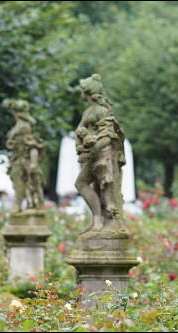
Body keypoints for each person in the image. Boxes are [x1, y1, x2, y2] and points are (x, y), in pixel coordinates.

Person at [75, 74, 126, 233]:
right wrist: (81, 146)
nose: (80, 93)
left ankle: (108, 224)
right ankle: (96, 219)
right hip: (93, 155)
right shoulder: (88, 112)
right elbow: (79, 131)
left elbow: (108, 137)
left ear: (88, 92)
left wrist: (90, 148)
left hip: (103, 156)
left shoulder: (102, 111)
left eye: (82, 90)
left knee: (106, 193)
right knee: (81, 184)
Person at [6, 100, 45, 212]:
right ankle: (26, 204)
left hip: (23, 160)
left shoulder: (23, 127)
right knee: (21, 182)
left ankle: (19, 205)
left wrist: (33, 162)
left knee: (24, 183)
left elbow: (32, 146)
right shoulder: (21, 126)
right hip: (18, 159)